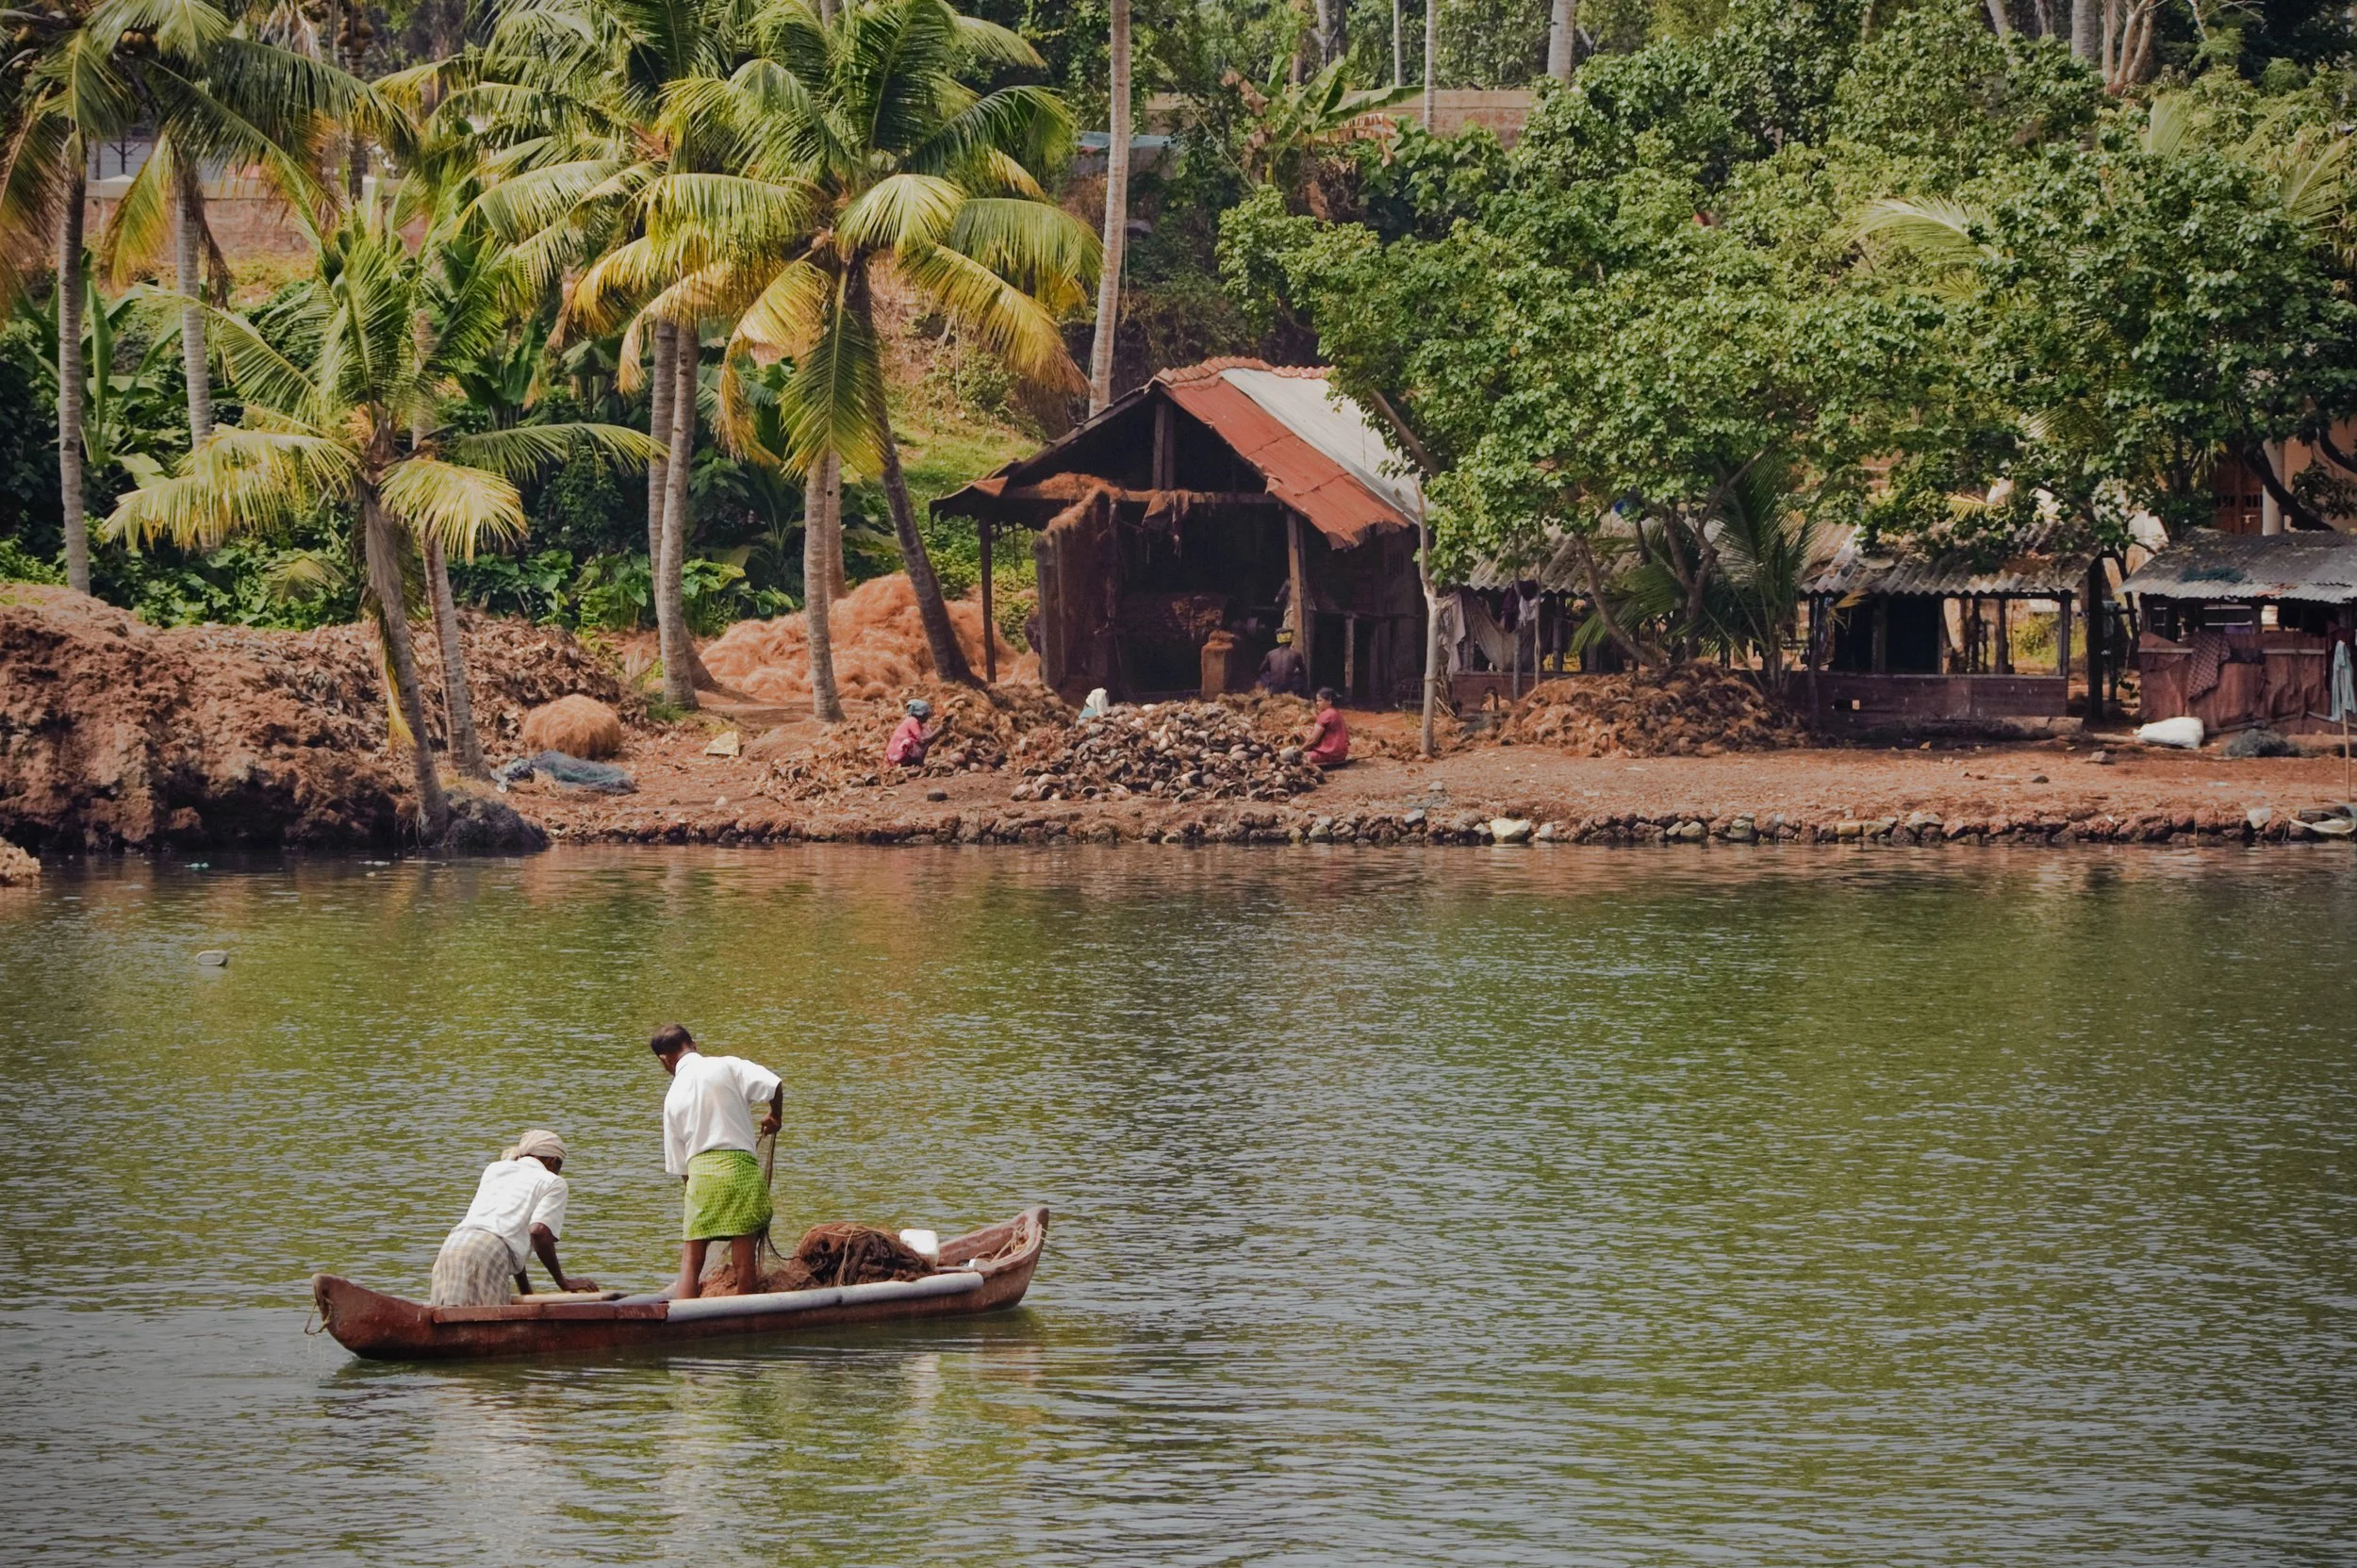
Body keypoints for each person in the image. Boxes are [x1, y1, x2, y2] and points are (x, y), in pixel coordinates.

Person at [650, 1023, 783, 1300]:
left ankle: (683, 1317)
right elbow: (774, 1084)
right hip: (739, 1170)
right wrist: (774, 1116)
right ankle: (745, 1317)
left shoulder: (672, 1096)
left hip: (701, 1175)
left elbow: (679, 1163)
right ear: (693, 1044)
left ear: (665, 1060)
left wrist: (693, 1189)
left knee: (691, 1260)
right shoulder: (727, 1066)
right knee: (744, 1260)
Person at [427, 1130, 596, 1306]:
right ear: (553, 1162)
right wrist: (563, 1281)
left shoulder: (495, 1168)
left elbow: (511, 1240)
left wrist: (527, 1294)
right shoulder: (552, 1182)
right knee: (487, 1325)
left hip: (451, 1247)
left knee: (446, 1315)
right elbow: (539, 1232)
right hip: (488, 1255)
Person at [885, 698, 944, 767]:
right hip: (898, 753)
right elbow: (922, 740)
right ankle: (917, 762)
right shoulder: (912, 721)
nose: (928, 717)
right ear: (921, 714)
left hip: (898, 753)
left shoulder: (915, 721)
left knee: (928, 732)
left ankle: (916, 762)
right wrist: (940, 729)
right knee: (927, 738)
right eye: (926, 714)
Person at [1303, 685, 1350, 768]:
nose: (1317, 703)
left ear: (1329, 701)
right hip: (1341, 754)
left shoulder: (1325, 715)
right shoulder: (1337, 713)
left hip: (1329, 754)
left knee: (1297, 757)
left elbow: (1313, 740)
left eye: (1320, 701)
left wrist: (1300, 750)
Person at [1257, 627, 1308, 696]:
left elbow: (1261, 670)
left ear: (1278, 640)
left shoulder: (1270, 653)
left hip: (1274, 688)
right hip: (1288, 688)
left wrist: (1268, 681)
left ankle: (1269, 688)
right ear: (1291, 640)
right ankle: (1301, 694)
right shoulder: (1296, 654)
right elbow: (1304, 672)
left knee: (1264, 674)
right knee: (1299, 676)